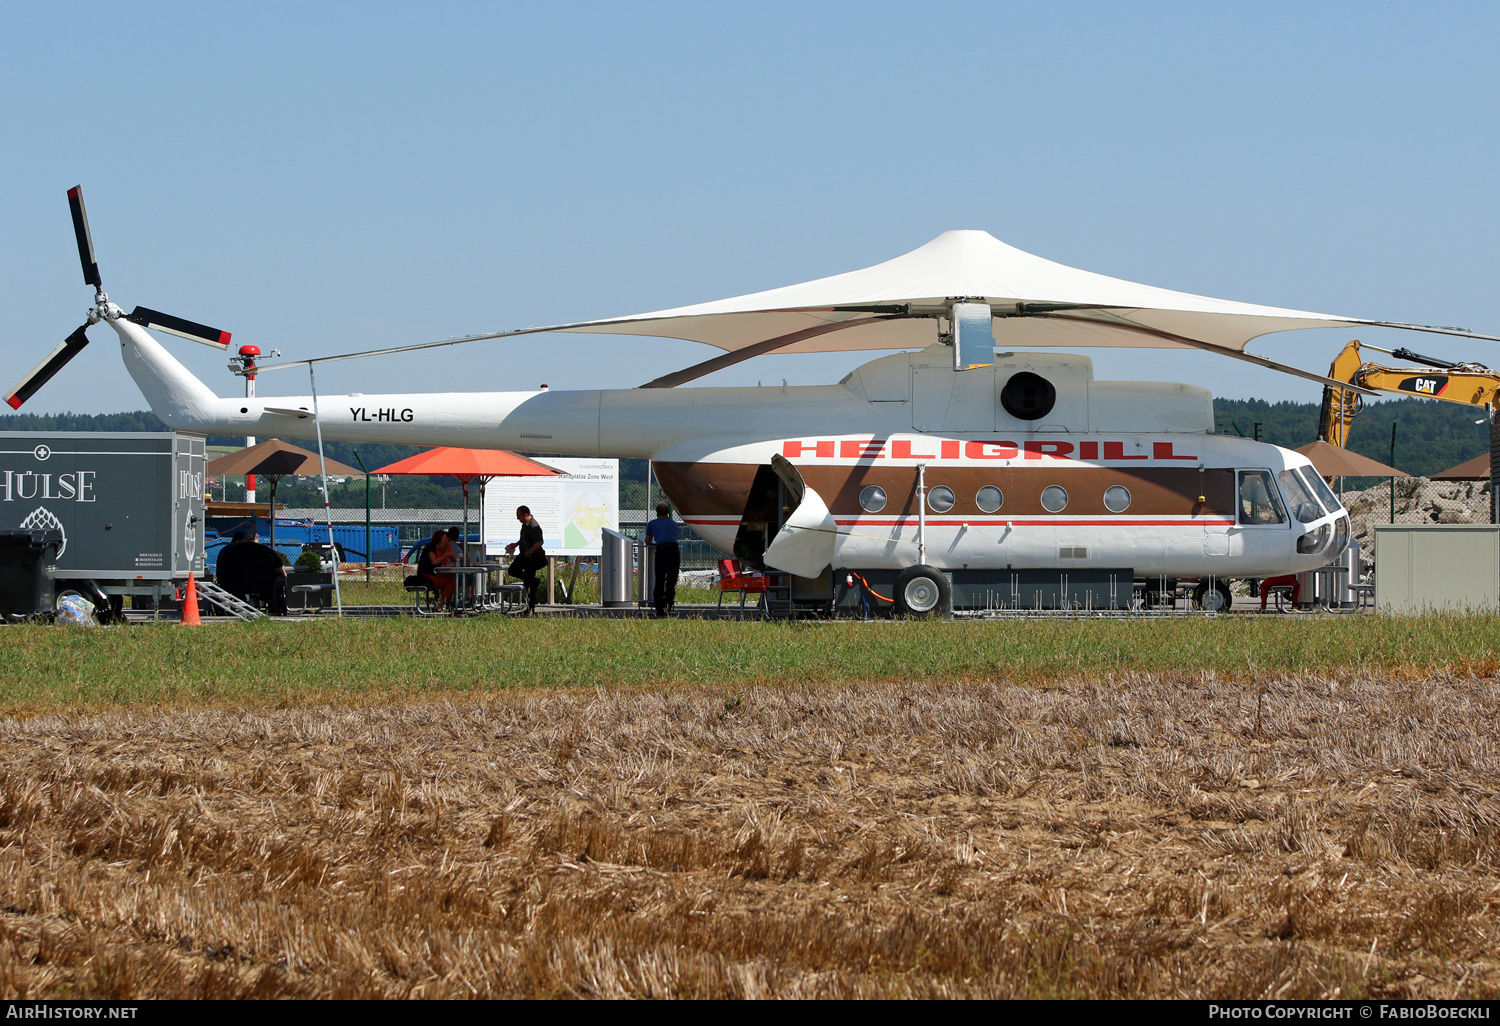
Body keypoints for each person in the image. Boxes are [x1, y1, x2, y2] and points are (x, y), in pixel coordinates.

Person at [504, 506, 546, 612]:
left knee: (528, 584)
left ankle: (531, 608)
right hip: (525, 554)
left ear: (525, 514)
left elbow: (540, 542)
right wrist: (516, 544)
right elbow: (524, 539)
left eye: (519, 516)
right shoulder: (525, 525)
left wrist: (530, 551)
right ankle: (533, 581)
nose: (518, 518)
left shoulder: (533, 525)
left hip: (532, 557)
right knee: (512, 570)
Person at [645, 501, 680, 616]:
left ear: (657, 513)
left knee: (659, 580)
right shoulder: (673, 524)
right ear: (668, 514)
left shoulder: (652, 524)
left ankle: (659, 608)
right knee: (671, 581)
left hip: (662, 550)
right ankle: (668, 607)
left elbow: (648, 541)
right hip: (674, 550)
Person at [418, 529, 457, 608]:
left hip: (436, 574)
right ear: (439, 540)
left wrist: (450, 562)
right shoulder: (431, 548)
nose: (447, 541)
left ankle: (447, 604)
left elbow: (456, 561)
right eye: (445, 539)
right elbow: (434, 562)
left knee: (450, 578)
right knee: (451, 582)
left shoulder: (446, 548)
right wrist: (446, 555)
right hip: (426, 576)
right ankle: (440, 604)